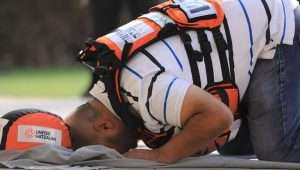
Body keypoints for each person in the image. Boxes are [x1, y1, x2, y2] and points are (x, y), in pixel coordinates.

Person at [66, 0, 300, 163]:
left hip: (277, 26)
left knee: (279, 152)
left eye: (112, 152)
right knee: (233, 146)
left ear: (105, 126)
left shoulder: (144, 88)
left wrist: (163, 155)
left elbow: (218, 117)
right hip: (245, 28)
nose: (122, 154)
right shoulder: (110, 75)